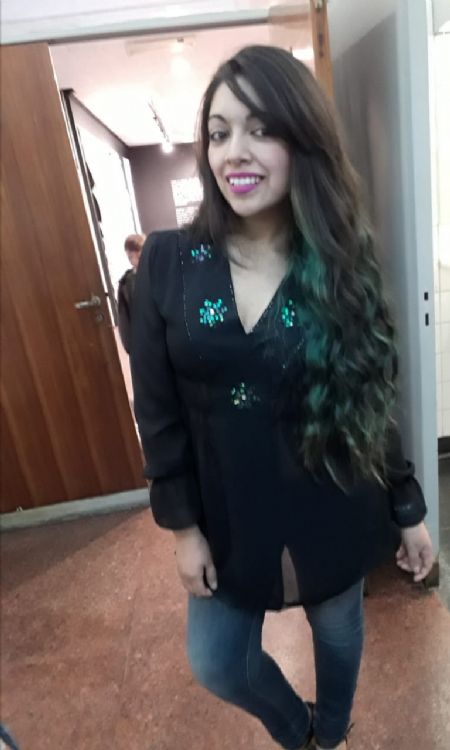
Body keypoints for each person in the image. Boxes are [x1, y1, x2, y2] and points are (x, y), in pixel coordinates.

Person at [130, 46, 433, 750]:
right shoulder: (171, 262)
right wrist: (183, 529)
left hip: (334, 496)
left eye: (262, 129)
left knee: (339, 633)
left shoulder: (339, 260)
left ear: (304, 142)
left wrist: (408, 507)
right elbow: (157, 411)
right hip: (227, 509)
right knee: (217, 660)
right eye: (219, 132)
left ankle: (332, 733)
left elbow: (371, 397)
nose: (234, 151)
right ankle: (299, 732)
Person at [117, 233, 145, 353]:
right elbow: (123, 317)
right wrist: (129, 345)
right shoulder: (126, 282)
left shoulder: (159, 274)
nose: (133, 257)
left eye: (137, 251)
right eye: (130, 254)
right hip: (140, 338)